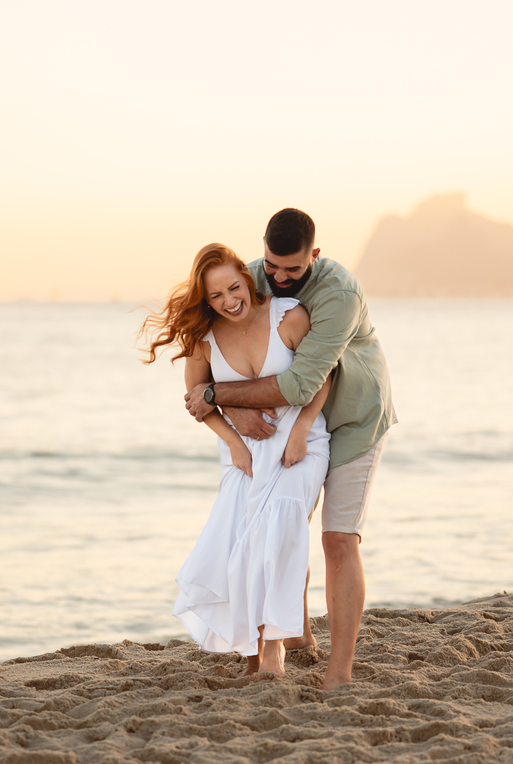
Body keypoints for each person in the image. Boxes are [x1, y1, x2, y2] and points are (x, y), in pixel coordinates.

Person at [183, 208, 396, 689]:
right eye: (271, 265)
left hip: (352, 417)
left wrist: (218, 396)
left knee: (337, 539)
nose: (278, 278)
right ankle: (292, 633)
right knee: (278, 526)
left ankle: (339, 672)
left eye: (292, 269)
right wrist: (231, 411)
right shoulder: (248, 280)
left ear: (314, 255)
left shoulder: (339, 294)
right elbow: (219, 362)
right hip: (286, 425)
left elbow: (301, 384)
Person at [142, 243, 332, 677]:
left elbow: (323, 376)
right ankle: (251, 655)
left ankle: (274, 649)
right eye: (215, 296)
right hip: (244, 452)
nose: (229, 301)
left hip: (300, 442)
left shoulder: (288, 316)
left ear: (247, 279)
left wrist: (301, 430)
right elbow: (197, 400)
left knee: (277, 529)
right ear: (205, 300)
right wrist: (233, 442)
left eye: (233, 288)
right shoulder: (204, 339)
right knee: (235, 543)